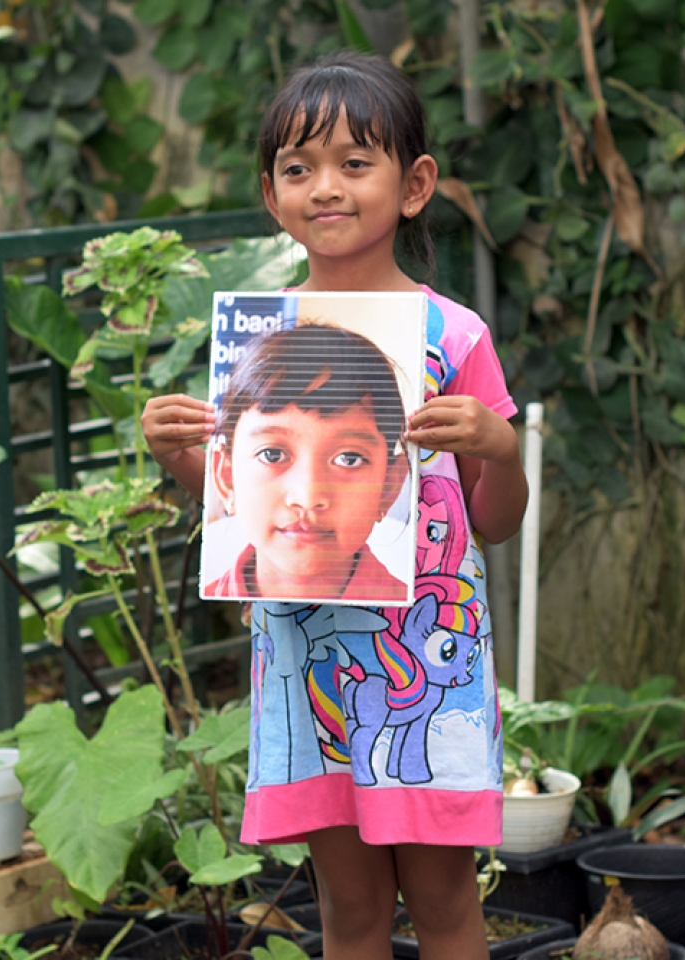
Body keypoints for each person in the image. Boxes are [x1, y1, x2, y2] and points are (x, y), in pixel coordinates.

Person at [141, 50, 528, 960]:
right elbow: (244, 522)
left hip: (430, 681)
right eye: (298, 168)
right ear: (270, 195)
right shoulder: (254, 342)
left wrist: (502, 449)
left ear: (414, 184)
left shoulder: (454, 336)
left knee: (445, 907)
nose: (327, 187)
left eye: (357, 163)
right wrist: (180, 462)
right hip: (305, 680)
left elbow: (497, 523)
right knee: (347, 914)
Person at [202, 322, 412, 603]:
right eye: (272, 455)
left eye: (348, 459)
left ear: (388, 485)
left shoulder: (424, 619)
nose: (308, 497)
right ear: (226, 478)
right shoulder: (211, 596)